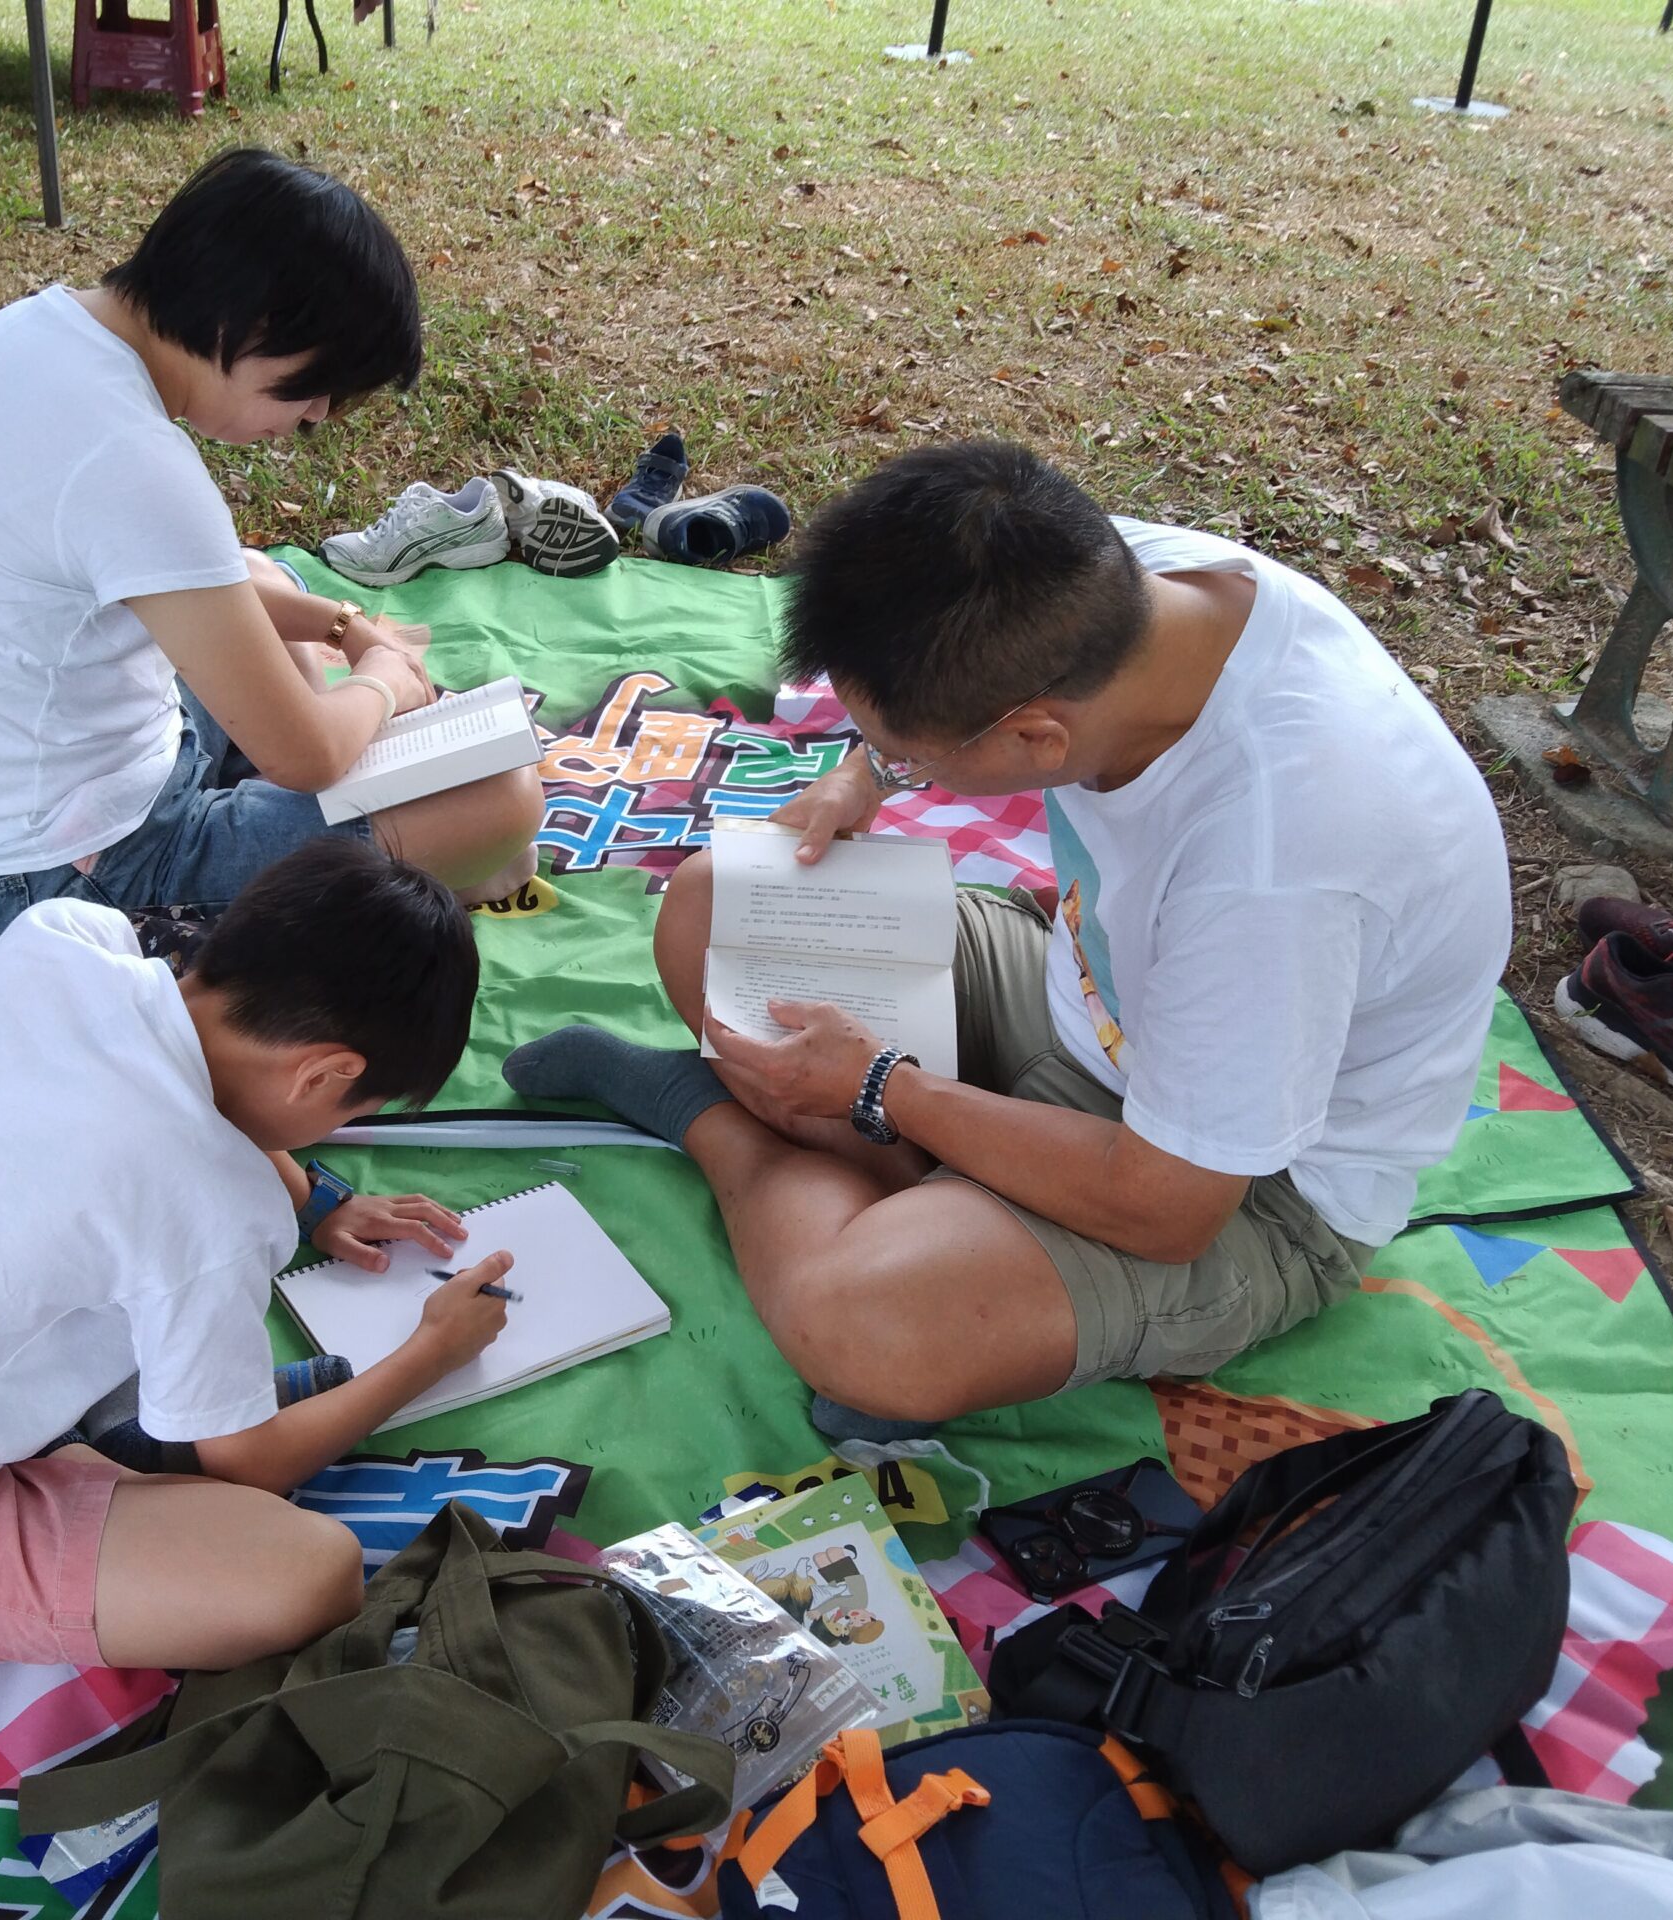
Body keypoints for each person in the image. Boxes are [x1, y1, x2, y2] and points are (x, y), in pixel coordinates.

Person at [505, 442, 1510, 1438]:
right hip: (1076, 994)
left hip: (1242, 1188)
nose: (896, 766)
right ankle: (918, 1203)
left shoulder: (1276, 865)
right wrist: (863, 775)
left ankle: (711, 1123)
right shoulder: (1109, 580)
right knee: (716, 902)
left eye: (909, 754)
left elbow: (1168, 1206)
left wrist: (884, 1086)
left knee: (861, 1323)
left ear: (1036, 738)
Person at [0, 840, 515, 1671]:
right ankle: (121, 1452)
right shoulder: (208, 1211)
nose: (330, 1134)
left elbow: (204, 1093)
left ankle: (125, 1445)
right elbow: (251, 1465)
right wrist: (431, 1352)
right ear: (324, 1073)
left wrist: (319, 1204)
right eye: (349, 1110)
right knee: (310, 1572)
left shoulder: (63, 944)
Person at [0, 146, 544, 953]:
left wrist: (341, 624)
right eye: (314, 384)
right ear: (247, 324)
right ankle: (371, 857)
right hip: (63, 877)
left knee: (257, 574)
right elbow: (307, 756)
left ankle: (311, 807)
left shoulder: (38, 329)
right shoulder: (131, 462)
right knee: (504, 802)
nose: (315, 415)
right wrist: (384, 680)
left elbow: (159, 577)